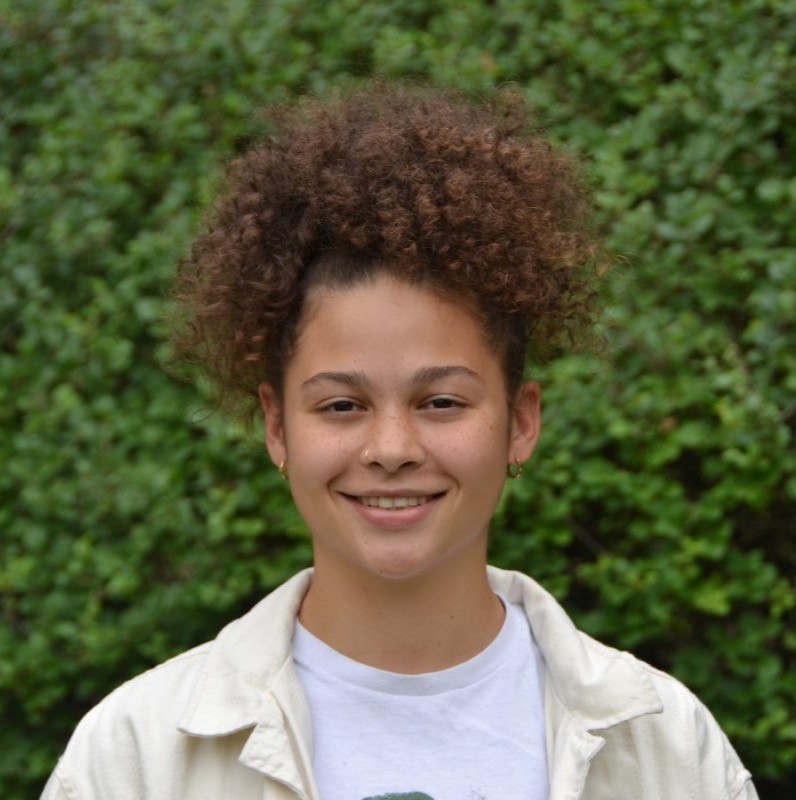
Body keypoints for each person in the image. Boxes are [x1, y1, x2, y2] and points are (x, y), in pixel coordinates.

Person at [42, 83, 758, 800]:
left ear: (520, 422)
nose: (391, 446)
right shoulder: (134, 757)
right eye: (343, 404)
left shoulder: (665, 745)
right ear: (275, 425)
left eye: (440, 401)